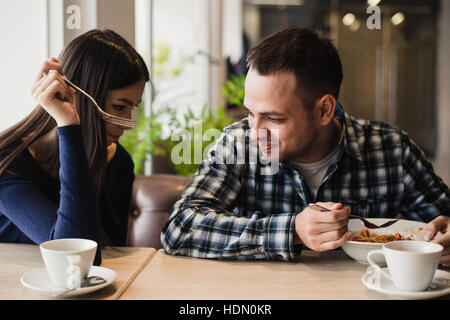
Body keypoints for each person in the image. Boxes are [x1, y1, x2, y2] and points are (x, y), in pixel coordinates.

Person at [161, 27, 450, 266]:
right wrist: (292, 230)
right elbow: (179, 229)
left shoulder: (392, 150)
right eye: (250, 113)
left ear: (325, 110)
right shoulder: (238, 145)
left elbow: (441, 218)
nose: (255, 130)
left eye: (273, 117)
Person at [0, 29, 150, 265]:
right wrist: (69, 125)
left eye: (133, 107)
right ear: (77, 94)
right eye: (120, 107)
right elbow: (72, 253)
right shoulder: (7, 160)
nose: (128, 123)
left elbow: (98, 261)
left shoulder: (117, 163)